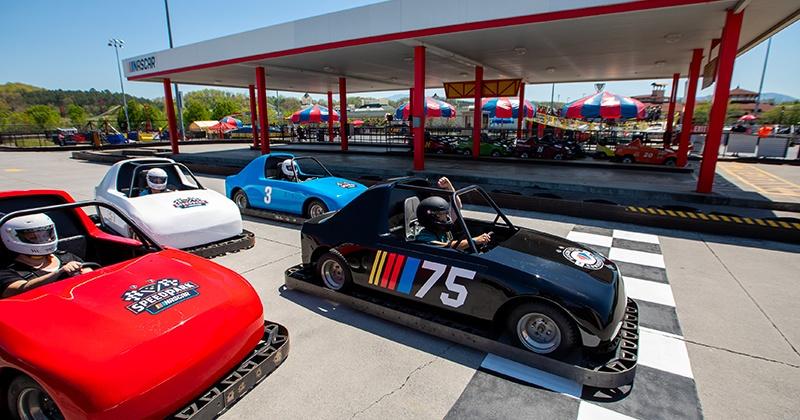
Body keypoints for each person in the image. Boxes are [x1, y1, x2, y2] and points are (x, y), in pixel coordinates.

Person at [0, 214, 92, 298]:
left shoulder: (65, 257)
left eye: (46, 235)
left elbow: (91, 274)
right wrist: (59, 273)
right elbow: (19, 290)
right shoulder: (6, 270)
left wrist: (85, 272)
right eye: (33, 237)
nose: (45, 240)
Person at [415, 177, 491, 250]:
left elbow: (457, 205)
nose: (447, 216)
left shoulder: (443, 225)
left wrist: (449, 187)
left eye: (446, 212)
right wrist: (474, 241)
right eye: (443, 213)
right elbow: (446, 247)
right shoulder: (424, 237)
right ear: (433, 216)